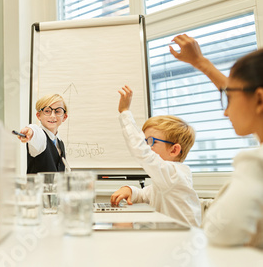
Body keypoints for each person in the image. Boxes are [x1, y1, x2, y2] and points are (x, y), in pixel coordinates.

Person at [171, 34, 263, 248]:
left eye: (229, 99)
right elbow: (243, 94)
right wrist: (200, 63)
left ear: (259, 99)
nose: (226, 112)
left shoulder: (257, 165)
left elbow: (220, 234)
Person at [111, 85, 201, 227]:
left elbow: (143, 153)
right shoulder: (164, 180)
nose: (146, 146)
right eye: (145, 141)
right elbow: (144, 194)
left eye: (151, 141)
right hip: (169, 241)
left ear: (174, 150)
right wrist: (129, 190)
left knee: (123, 225)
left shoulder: (174, 174)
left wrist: (125, 112)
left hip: (181, 242)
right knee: (123, 222)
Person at [17, 94, 69, 173]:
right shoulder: (41, 137)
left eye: (57, 111)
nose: (52, 116)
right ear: (38, 115)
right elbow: (35, 132)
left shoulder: (60, 143)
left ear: (64, 117)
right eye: (47, 111)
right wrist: (30, 131)